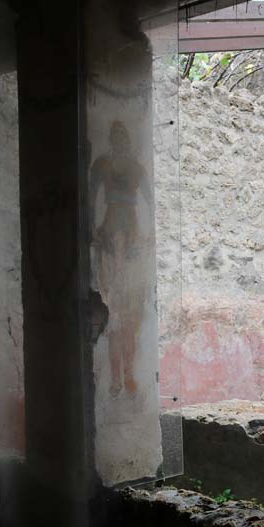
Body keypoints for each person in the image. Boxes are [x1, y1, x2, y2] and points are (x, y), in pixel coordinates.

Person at [89, 120, 151, 396]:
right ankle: (116, 379)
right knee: (112, 312)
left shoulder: (138, 168)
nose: (119, 140)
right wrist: (93, 232)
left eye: (123, 136)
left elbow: (151, 202)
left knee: (131, 315)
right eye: (115, 136)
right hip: (111, 235)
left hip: (133, 237)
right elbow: (89, 200)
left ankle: (128, 377)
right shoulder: (102, 165)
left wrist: (148, 238)